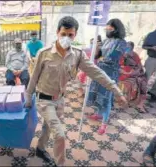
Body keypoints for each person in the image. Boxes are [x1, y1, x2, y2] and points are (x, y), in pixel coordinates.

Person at [24, 16, 127, 166]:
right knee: (59, 135)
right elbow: (33, 78)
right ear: (58, 32)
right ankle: (60, 163)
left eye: (70, 35)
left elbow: (96, 72)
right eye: (63, 34)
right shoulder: (44, 53)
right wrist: (28, 98)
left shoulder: (77, 55)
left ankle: (40, 149)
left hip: (59, 100)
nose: (66, 37)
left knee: (47, 127)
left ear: (75, 35)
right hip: (44, 100)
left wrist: (117, 91)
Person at [86, 19, 127, 135]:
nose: (107, 30)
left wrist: (101, 57)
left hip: (110, 73)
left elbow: (113, 57)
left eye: (110, 28)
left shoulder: (122, 43)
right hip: (100, 71)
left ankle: (104, 123)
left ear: (116, 29)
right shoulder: (105, 41)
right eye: (107, 28)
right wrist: (96, 47)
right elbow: (97, 55)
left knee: (106, 97)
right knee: (97, 94)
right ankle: (99, 114)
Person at [118, 41, 147, 112]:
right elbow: (119, 68)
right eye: (126, 46)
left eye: (129, 47)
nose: (127, 48)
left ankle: (140, 104)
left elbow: (139, 66)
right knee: (133, 82)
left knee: (143, 82)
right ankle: (126, 102)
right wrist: (128, 72)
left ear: (132, 48)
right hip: (124, 74)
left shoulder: (135, 55)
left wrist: (136, 71)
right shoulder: (121, 55)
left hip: (135, 73)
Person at [142, 20, 156, 103]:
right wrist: (152, 48)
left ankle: (153, 94)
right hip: (152, 59)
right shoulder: (151, 35)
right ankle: (140, 94)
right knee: (145, 77)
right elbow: (144, 46)